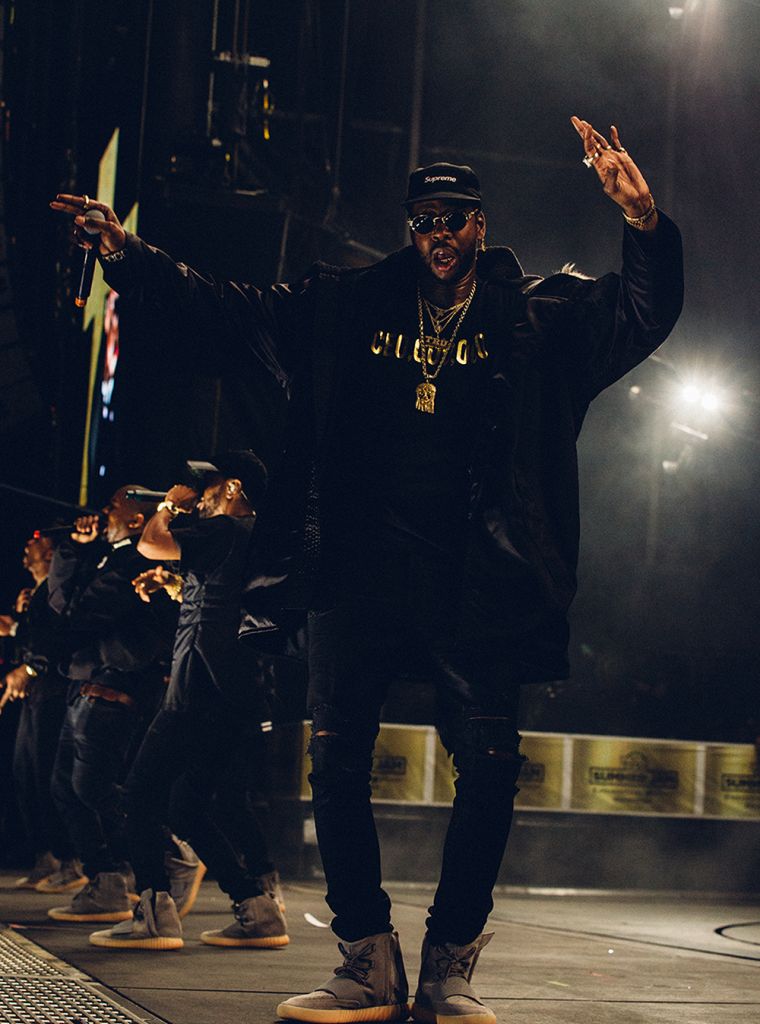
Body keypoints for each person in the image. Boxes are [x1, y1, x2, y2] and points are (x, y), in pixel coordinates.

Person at [52, 115, 684, 1023]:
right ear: (408, 226)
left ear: (480, 223)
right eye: (424, 217)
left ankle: (449, 966)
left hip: (479, 580)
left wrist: (645, 222)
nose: (439, 233)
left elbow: (640, 311)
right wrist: (130, 253)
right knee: (337, 764)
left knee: (492, 768)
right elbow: (232, 303)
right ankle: (366, 959)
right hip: (357, 575)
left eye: (455, 217)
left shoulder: (534, 315)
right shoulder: (347, 306)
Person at [88, 451, 287, 951]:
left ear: (234, 488)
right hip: (235, 691)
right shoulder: (256, 540)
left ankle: (154, 913)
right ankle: (257, 909)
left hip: (195, 684)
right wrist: (177, 585)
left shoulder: (223, 530)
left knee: (139, 793)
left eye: (209, 486)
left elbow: (153, 543)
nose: (199, 495)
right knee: (189, 805)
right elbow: (224, 598)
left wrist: (170, 509)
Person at [45, 486, 176, 923]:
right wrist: (73, 549)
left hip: (113, 682)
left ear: (137, 520)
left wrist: (53, 643)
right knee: (67, 787)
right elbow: (61, 600)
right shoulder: (105, 554)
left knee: (94, 787)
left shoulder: (137, 558)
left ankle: (165, 854)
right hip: (86, 681)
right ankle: (108, 880)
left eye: (112, 505)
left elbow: (79, 611)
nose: (102, 512)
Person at [0, 534, 79, 891]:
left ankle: (69, 860)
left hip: (52, 691)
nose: (26, 547)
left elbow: (56, 639)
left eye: (34, 542)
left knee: (47, 774)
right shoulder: (34, 595)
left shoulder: (56, 589)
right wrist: (16, 625)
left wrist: (31, 667)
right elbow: (36, 638)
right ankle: (46, 855)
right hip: (34, 694)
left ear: (49, 552)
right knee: (25, 774)